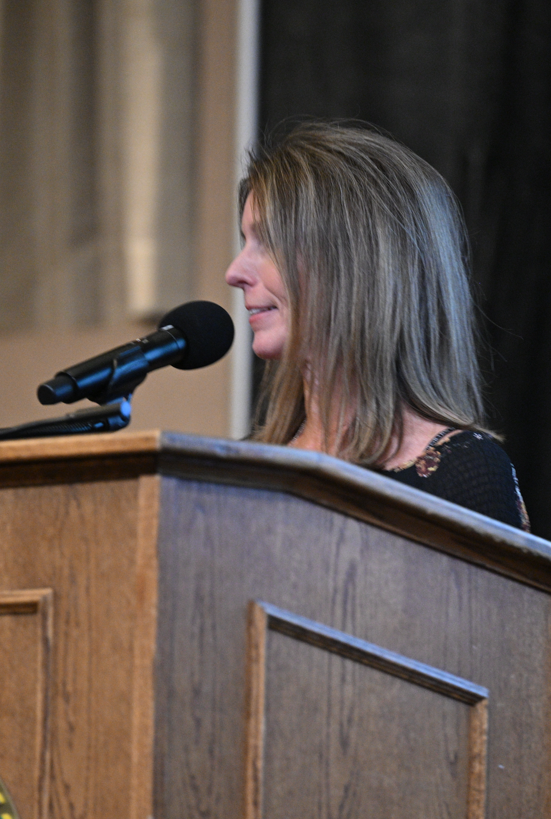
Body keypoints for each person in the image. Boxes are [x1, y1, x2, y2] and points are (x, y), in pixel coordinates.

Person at [225, 121, 530, 531]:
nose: (234, 272)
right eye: (245, 242)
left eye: (269, 243)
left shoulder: (464, 474)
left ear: (354, 265)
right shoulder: (246, 470)